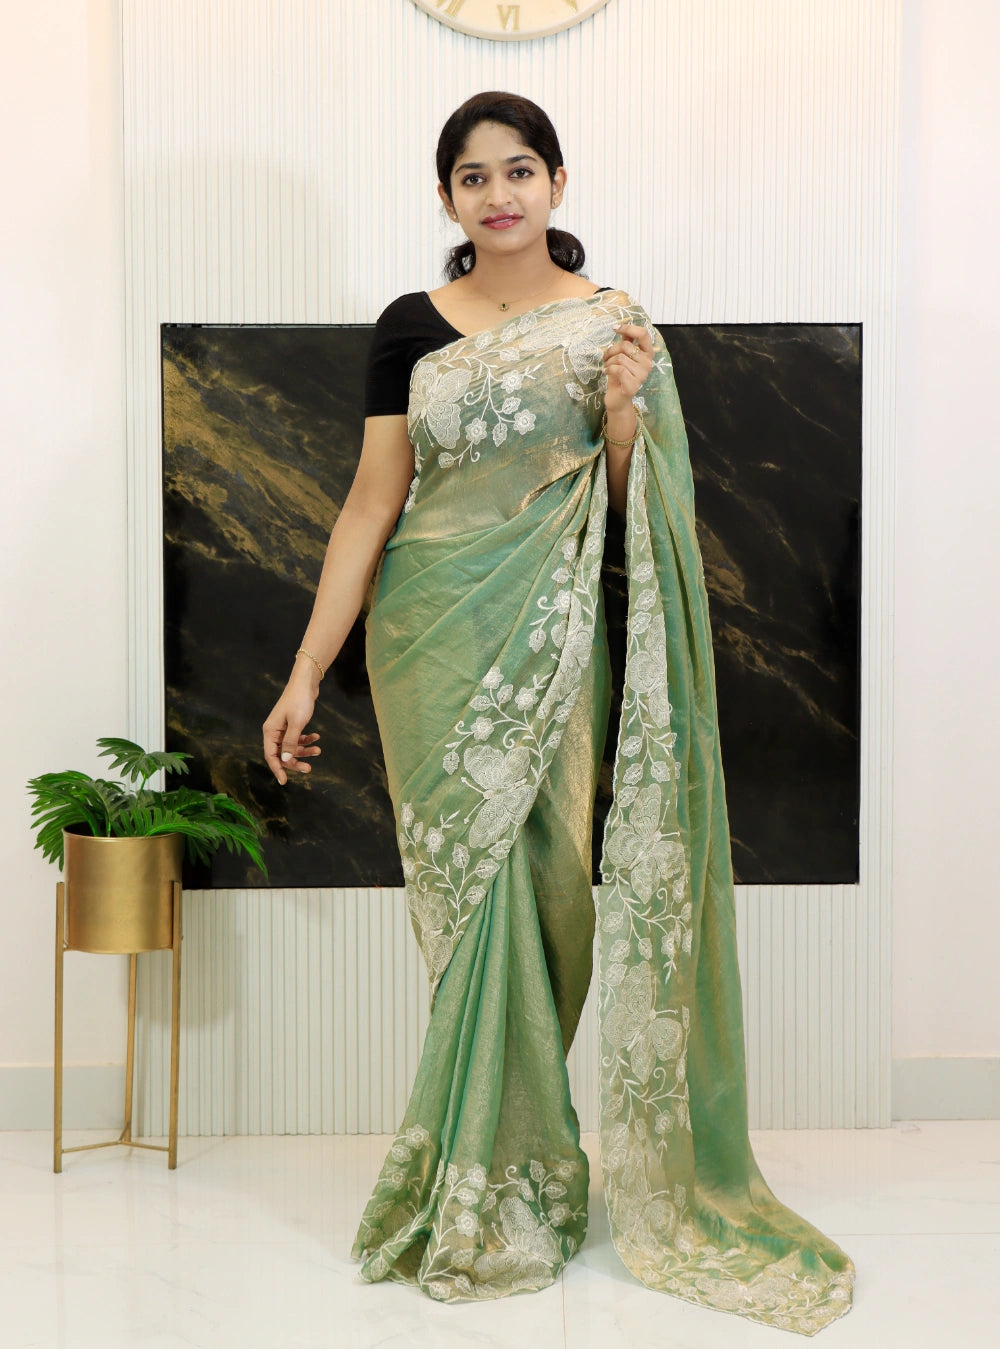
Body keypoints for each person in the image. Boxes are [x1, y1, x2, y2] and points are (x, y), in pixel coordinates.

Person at [262, 92, 854, 1334]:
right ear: (446, 201)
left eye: (517, 170)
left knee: (546, 889)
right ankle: (484, 1177)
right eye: (471, 178)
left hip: (554, 635)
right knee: (465, 907)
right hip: (429, 635)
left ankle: (519, 1175)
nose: (498, 195)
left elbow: (638, 500)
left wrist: (631, 410)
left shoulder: (610, 324)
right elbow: (372, 505)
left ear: (558, 182)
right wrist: (308, 668)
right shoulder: (407, 329)